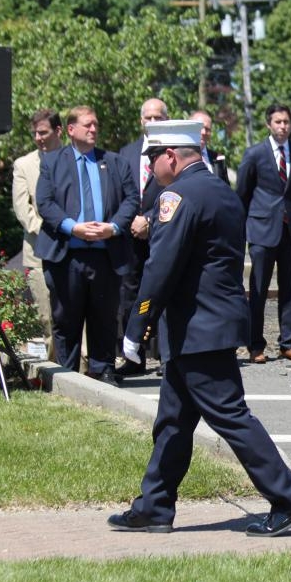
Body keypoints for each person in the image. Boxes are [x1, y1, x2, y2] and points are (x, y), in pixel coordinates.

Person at [110, 120, 291, 537]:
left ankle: (290, 499)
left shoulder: (177, 195)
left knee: (231, 417)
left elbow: (161, 267)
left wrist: (137, 325)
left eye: (153, 159)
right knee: (173, 421)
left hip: (198, 329)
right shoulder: (220, 191)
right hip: (208, 324)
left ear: (171, 156)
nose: (151, 167)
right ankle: (154, 506)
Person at [35, 106, 138, 386]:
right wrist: (73, 226)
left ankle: (103, 369)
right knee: (66, 318)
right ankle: (67, 376)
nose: (93, 129)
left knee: (104, 317)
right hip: (67, 256)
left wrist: (113, 227)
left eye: (96, 125)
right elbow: (44, 203)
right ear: (70, 129)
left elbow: (131, 199)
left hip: (106, 256)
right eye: (87, 125)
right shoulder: (52, 162)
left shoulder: (115, 162)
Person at [237, 104, 291, 363]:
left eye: (287, 122)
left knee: (289, 289)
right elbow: (243, 193)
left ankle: (287, 343)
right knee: (258, 289)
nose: (283, 126)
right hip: (261, 229)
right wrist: (245, 227)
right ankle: (255, 345)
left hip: (290, 229)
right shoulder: (255, 154)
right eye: (278, 122)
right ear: (269, 124)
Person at [116, 98, 169, 376]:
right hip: (129, 237)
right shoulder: (126, 153)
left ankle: (163, 357)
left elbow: (173, 190)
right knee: (130, 294)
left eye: (158, 118)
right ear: (140, 121)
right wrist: (132, 221)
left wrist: (149, 218)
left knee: (161, 292)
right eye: (147, 118)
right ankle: (133, 357)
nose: (152, 123)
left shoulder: (172, 152)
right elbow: (121, 193)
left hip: (160, 232)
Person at [12, 108, 63, 359]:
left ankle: (85, 371)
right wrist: (53, 230)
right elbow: (23, 210)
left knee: (77, 314)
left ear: (58, 131)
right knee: (48, 317)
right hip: (39, 252)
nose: (38, 138)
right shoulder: (23, 165)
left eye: (43, 132)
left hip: (75, 250)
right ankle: (56, 373)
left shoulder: (75, 159)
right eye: (35, 133)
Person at [190, 109, 229, 183]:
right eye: (200, 127)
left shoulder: (217, 158)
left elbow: (225, 188)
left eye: (207, 129)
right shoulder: (179, 156)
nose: (204, 132)